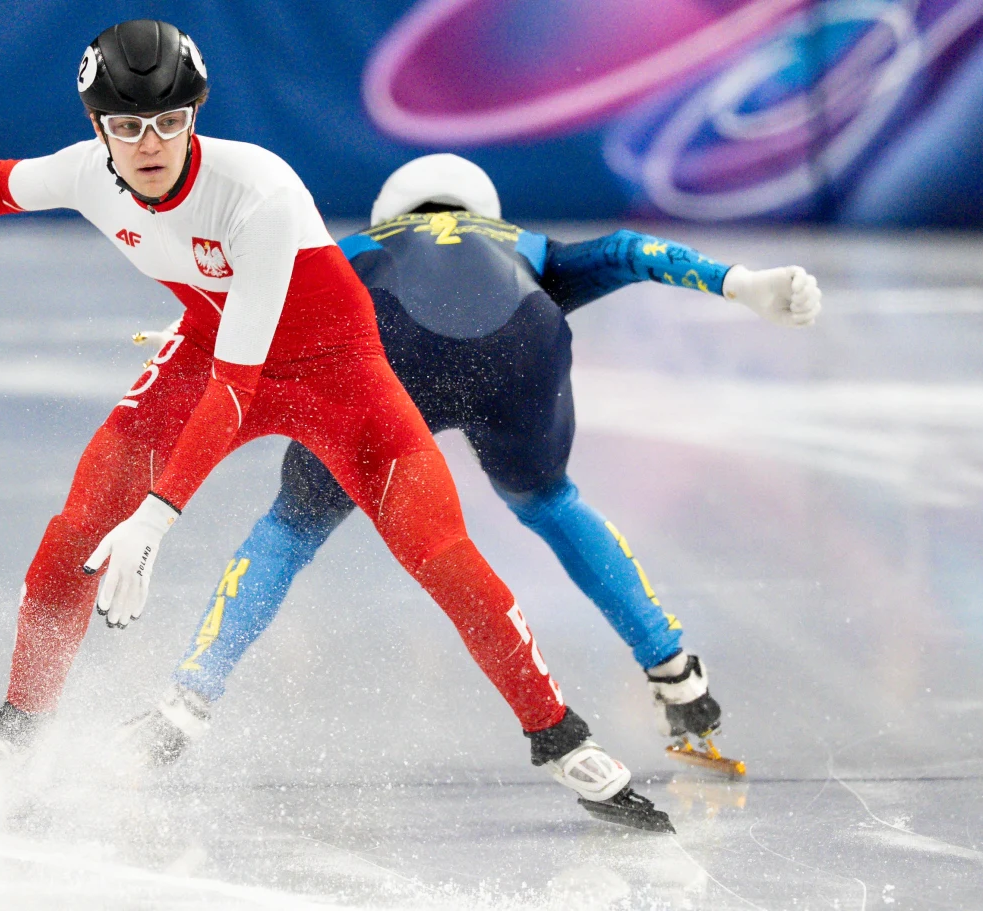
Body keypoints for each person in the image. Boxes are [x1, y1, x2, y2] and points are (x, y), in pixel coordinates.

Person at [0, 21, 673, 833]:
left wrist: (161, 515)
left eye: (169, 120)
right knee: (77, 529)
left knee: (446, 559)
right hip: (206, 357)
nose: (150, 142)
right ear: (98, 130)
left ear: (194, 115)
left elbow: (243, 389)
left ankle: (559, 736)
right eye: (128, 126)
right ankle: (19, 723)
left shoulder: (259, 189)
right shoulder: (89, 175)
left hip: (336, 380)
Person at [122, 153, 820, 779]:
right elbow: (628, 251)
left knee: (293, 524)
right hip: (522, 348)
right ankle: (678, 677)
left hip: (388, 351)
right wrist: (738, 282)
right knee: (550, 502)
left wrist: (199, 337)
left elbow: (262, 294)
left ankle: (189, 696)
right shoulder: (527, 245)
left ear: (390, 215)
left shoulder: (359, 246)